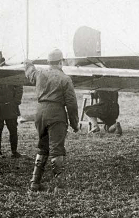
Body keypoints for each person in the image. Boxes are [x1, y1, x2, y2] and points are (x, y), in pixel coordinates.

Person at [25, 48, 79, 192]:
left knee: (43, 146)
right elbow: (72, 104)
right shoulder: (65, 79)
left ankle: (34, 182)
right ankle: (59, 186)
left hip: (40, 113)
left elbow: (30, 72)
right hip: (56, 115)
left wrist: (28, 63)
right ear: (61, 62)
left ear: (49, 62)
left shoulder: (40, 74)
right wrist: (75, 123)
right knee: (57, 150)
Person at [0, 56, 24, 158]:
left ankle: (14, 151)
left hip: (11, 106)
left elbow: (19, 86)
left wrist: (16, 102)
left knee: (13, 130)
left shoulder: (11, 71)